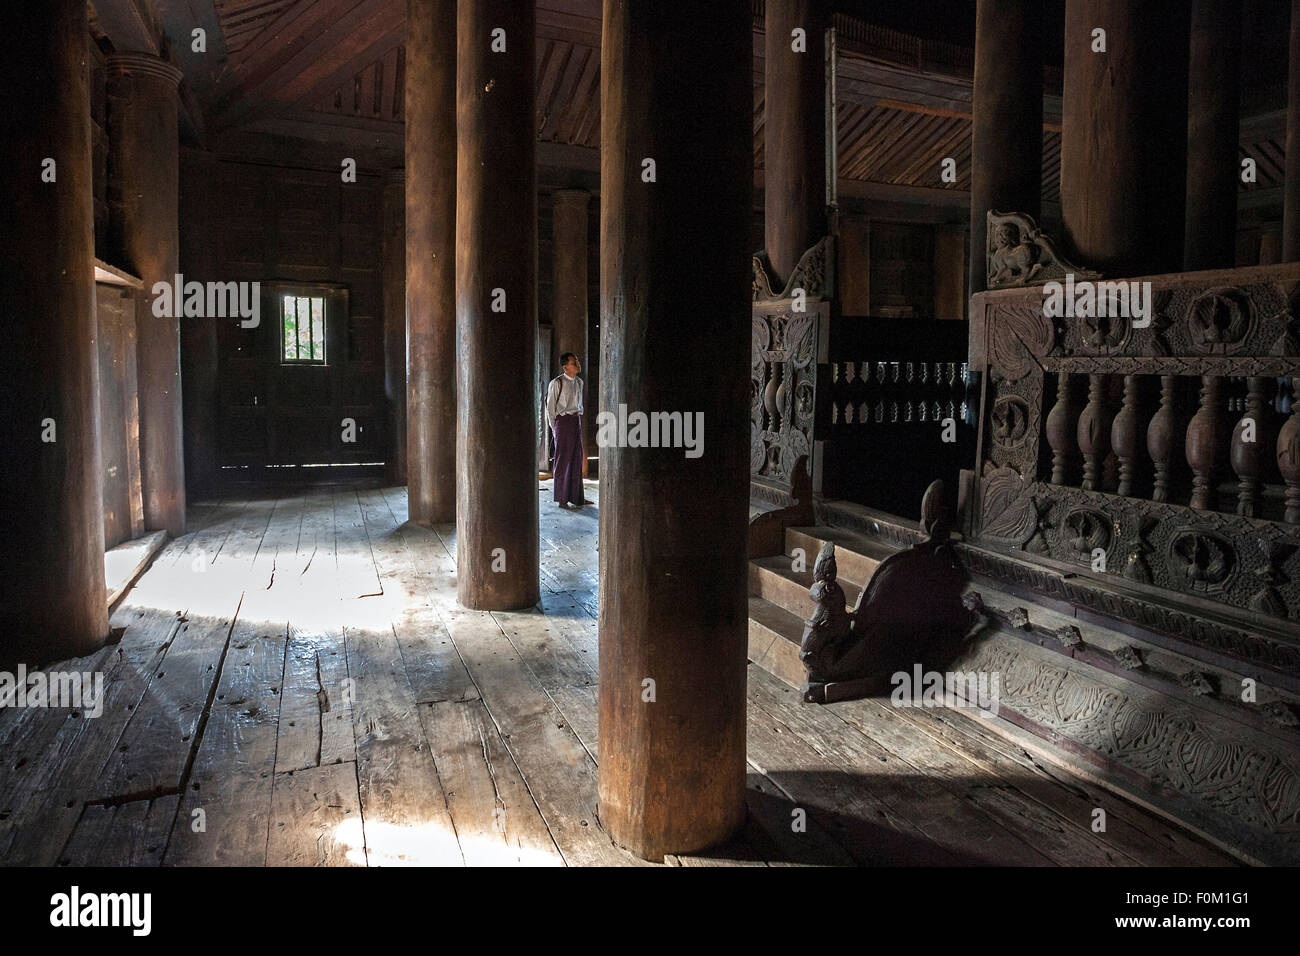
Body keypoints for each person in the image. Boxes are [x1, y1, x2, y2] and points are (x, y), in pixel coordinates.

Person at [545, 352, 589, 508]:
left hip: (575, 420)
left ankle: (577, 497)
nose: (577, 363)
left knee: (577, 458)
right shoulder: (557, 383)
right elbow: (550, 409)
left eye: (577, 360)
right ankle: (562, 499)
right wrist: (555, 429)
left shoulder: (579, 382)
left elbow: (578, 405)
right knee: (563, 460)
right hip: (562, 422)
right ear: (565, 367)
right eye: (573, 362)